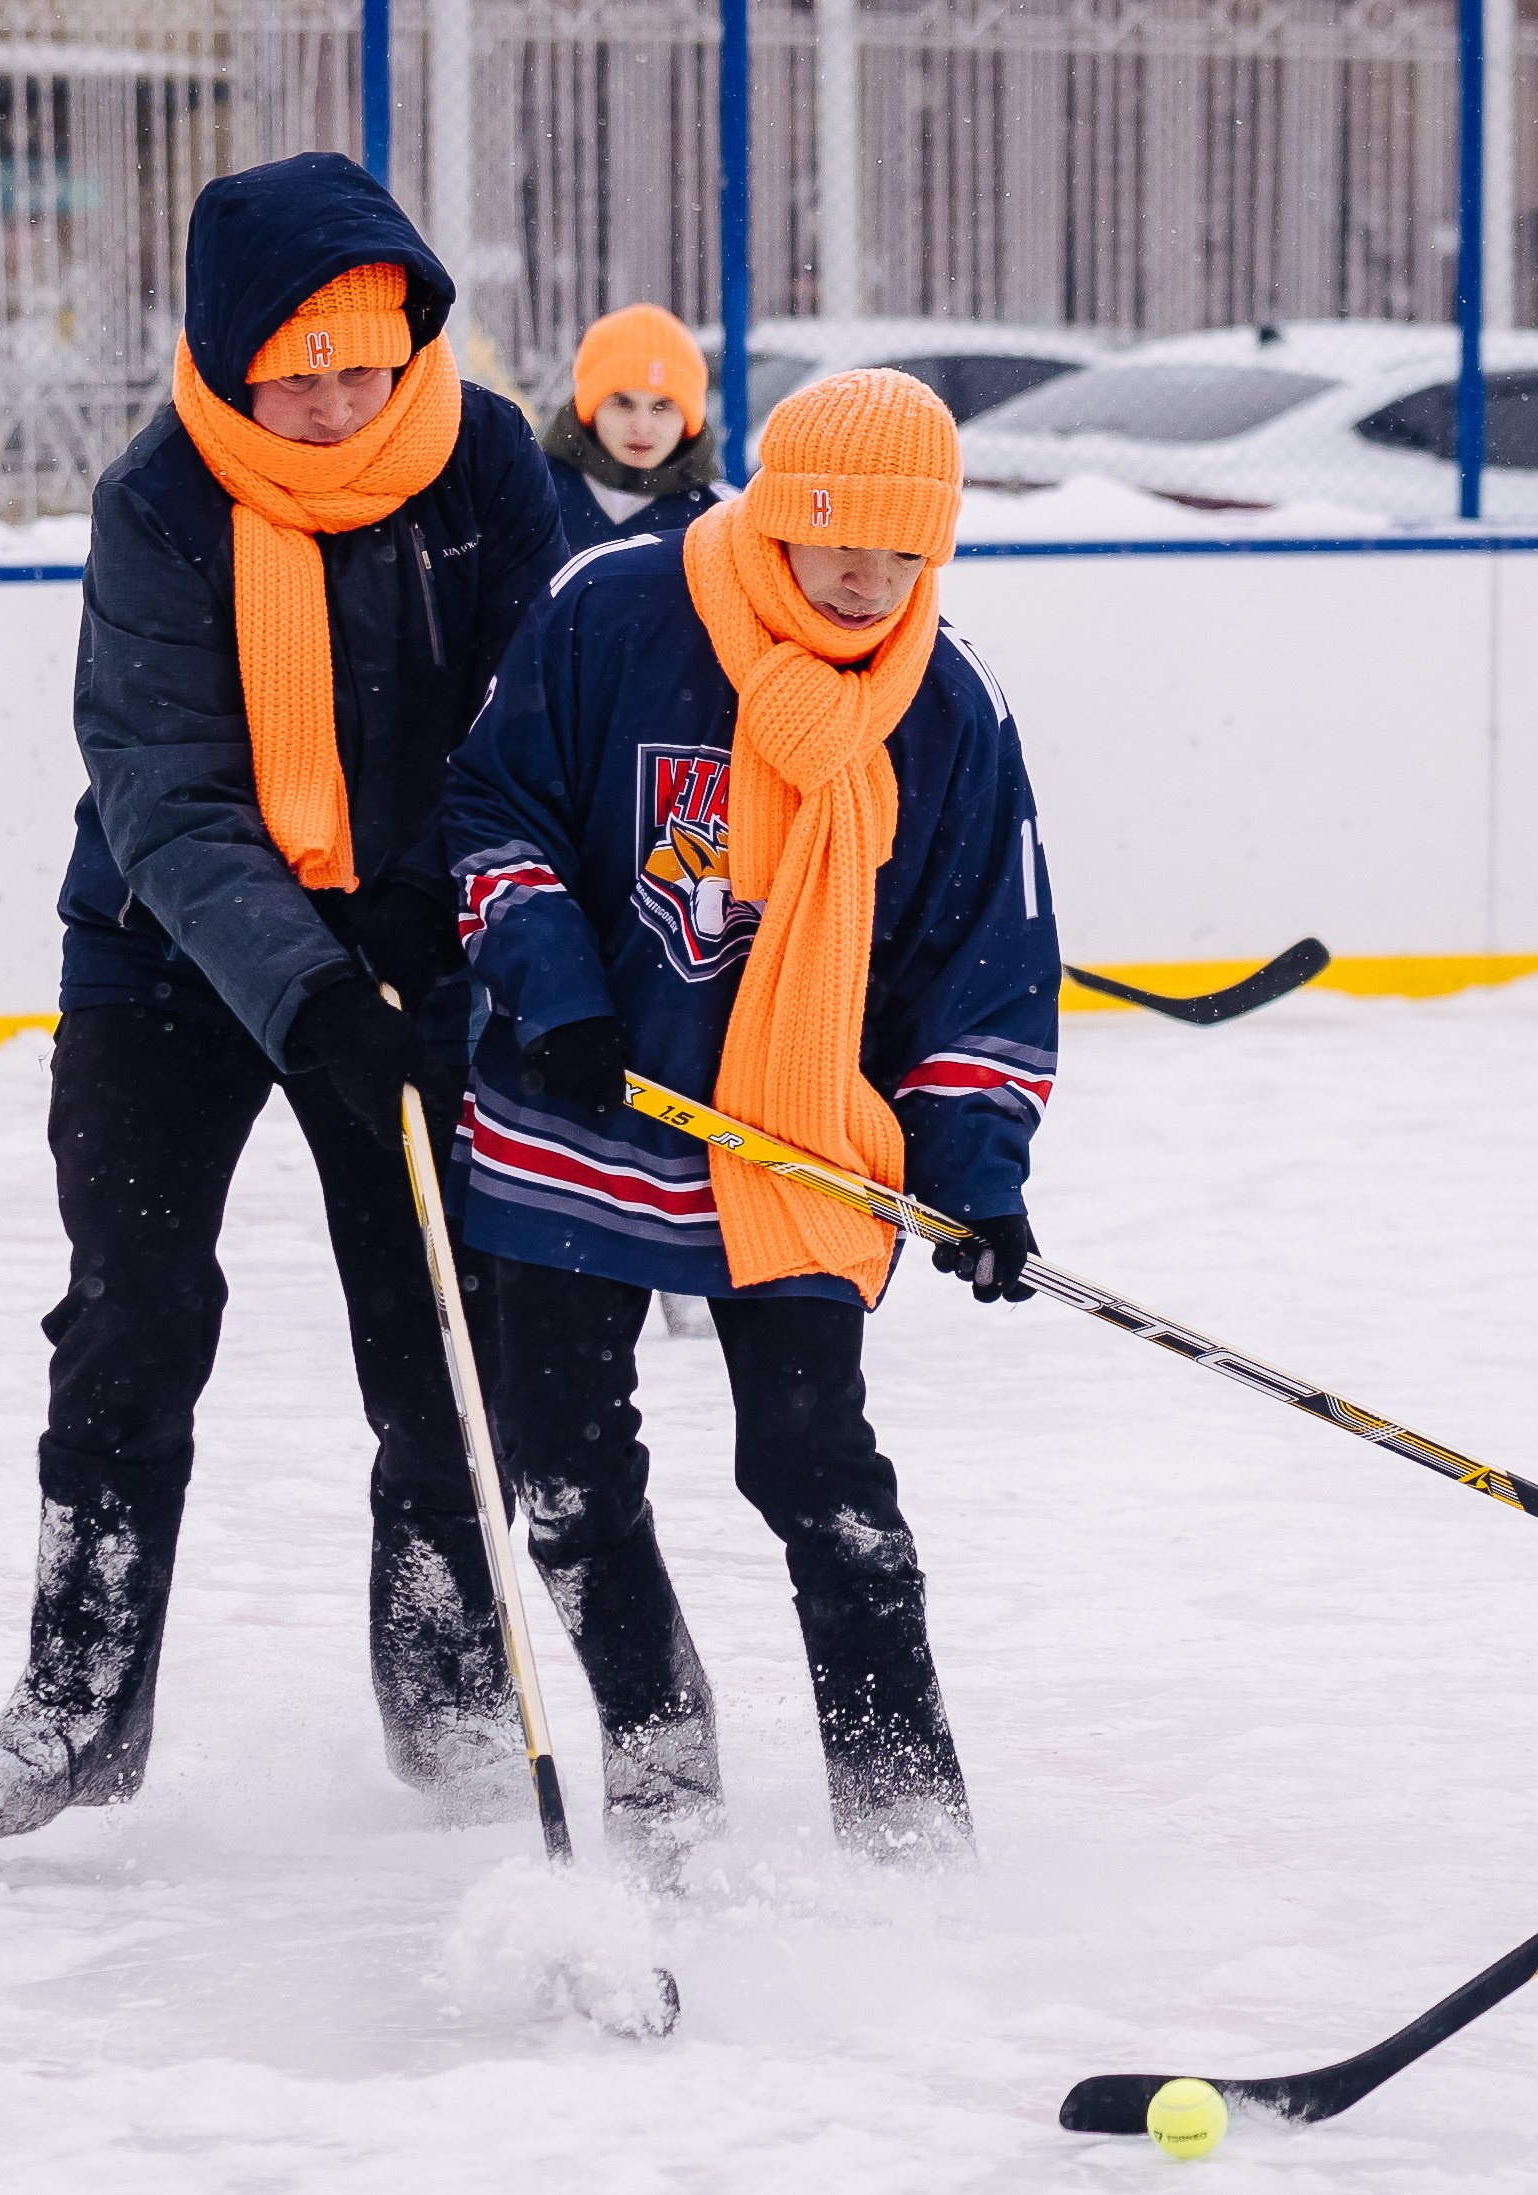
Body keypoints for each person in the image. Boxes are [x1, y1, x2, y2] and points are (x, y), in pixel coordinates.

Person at [0, 153, 566, 1841]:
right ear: (228, 366)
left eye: (368, 366)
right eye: (301, 378)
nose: (343, 407)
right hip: (166, 951)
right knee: (129, 1316)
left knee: (440, 1317)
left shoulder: (486, 457)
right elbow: (169, 793)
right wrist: (318, 1001)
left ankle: (450, 1688)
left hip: (413, 951)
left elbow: (533, 722)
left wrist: (442, 945)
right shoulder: (160, 500)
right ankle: (76, 1704)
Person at [441, 369, 1060, 1862]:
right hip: (576, 1114)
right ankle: (655, 1752)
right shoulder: (613, 611)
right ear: (776, 508)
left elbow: (984, 973)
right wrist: (555, 986)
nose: (864, 573)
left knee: (811, 1466)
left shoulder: (948, 706)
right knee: (563, 1464)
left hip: (790, 1140)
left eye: (903, 549)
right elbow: (491, 809)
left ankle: (904, 1808)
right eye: (837, 533)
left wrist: (973, 1171)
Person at [542, 304, 725, 556]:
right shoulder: (531, 491)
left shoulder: (719, 519)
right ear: (590, 409)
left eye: (662, 406)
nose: (642, 427)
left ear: (689, 417)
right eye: (622, 403)